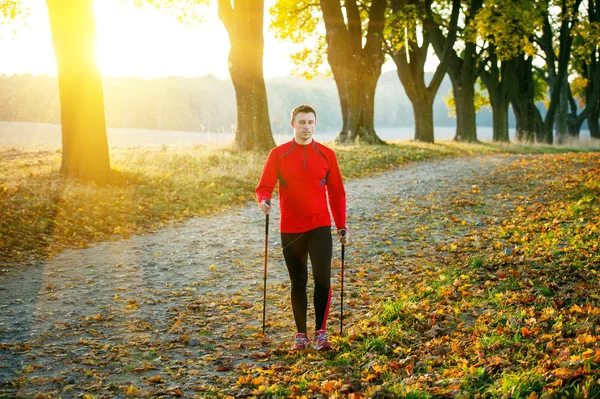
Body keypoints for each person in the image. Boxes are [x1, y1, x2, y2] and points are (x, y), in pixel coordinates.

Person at [256, 104, 349, 351]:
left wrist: (341, 225)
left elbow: (337, 192)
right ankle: (301, 336)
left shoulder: (327, 154)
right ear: (293, 124)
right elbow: (263, 186)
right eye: (302, 122)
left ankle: (321, 334)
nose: (306, 126)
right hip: (290, 227)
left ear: (315, 124)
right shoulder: (278, 154)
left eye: (310, 122)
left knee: (323, 279)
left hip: (320, 225)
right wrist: (264, 201)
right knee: (298, 280)